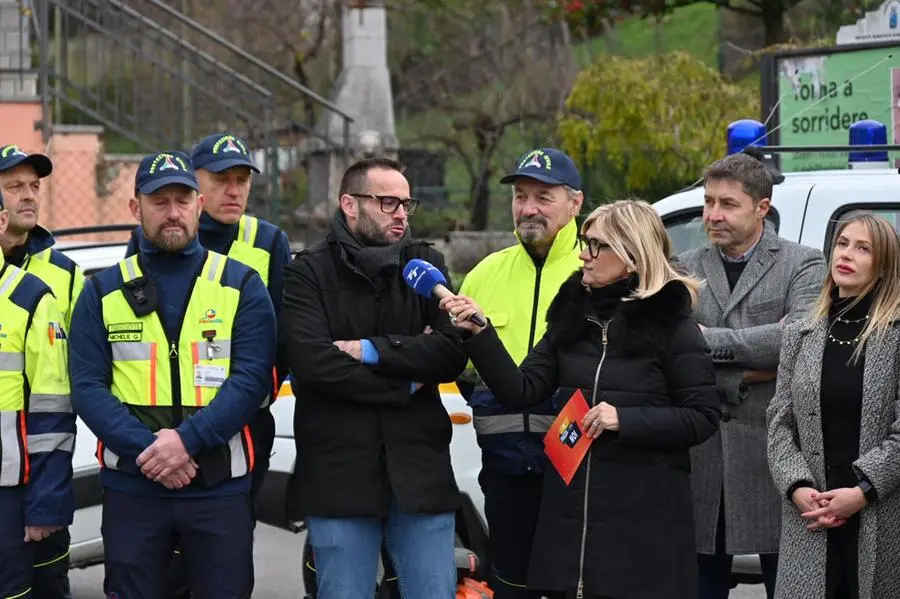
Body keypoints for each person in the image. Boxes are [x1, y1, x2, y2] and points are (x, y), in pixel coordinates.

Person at [440, 199, 722, 599]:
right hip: (570, 518)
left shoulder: (672, 324)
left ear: (630, 255)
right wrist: (481, 334)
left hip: (643, 520)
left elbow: (702, 416)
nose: (583, 255)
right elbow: (520, 390)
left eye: (595, 245)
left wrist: (624, 419)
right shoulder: (570, 316)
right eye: (584, 243)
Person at [68, 151, 277, 599]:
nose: (172, 213)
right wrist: (151, 451)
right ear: (134, 208)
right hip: (133, 486)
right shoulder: (101, 290)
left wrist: (187, 441)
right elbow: (87, 388)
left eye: (181, 200)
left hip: (219, 486)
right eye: (158, 201)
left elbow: (252, 379)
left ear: (199, 205)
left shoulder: (241, 285)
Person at [281, 157, 468, 599]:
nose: (401, 213)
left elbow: (452, 350)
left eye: (406, 203)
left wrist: (369, 351)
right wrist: (406, 380)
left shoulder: (427, 266)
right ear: (350, 203)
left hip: (420, 475)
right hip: (339, 477)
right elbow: (313, 364)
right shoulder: (307, 273)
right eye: (387, 202)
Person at [124, 133, 292, 599]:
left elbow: (283, 341)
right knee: (166, 563)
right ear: (195, 185)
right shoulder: (152, 235)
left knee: (225, 555)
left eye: (242, 180)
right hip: (164, 425)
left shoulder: (268, 241)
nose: (234, 190)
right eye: (222, 180)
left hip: (241, 423)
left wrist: (243, 404)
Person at [678, 152, 826, 599]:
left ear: (762, 207)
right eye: (708, 202)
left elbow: (795, 343)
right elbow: (672, 348)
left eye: (727, 204)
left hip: (773, 461)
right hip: (700, 462)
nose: (713, 215)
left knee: (789, 586)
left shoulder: (804, 264)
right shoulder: (683, 267)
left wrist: (706, 340)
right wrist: (744, 373)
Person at [457, 148, 583, 599]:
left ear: (575, 203)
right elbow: (461, 369)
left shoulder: (596, 268)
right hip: (506, 469)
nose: (528, 208)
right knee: (512, 586)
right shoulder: (483, 274)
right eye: (520, 196)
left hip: (579, 474)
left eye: (543, 197)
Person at [767, 211, 900, 599]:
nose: (847, 254)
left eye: (863, 248)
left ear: (884, 264)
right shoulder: (800, 333)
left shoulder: (894, 336)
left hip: (877, 510)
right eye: (842, 244)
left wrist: (862, 491)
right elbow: (779, 420)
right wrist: (798, 486)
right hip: (811, 514)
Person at [0, 143, 83, 598]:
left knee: (47, 583)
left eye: (34, 186)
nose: (29, 196)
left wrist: (48, 494)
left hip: (43, 473)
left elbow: (61, 391)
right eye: (14, 187)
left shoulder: (65, 274)